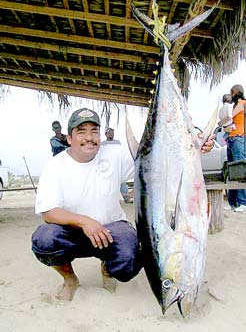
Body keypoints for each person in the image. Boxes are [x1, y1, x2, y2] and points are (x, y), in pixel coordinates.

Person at [31, 107, 215, 302]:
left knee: (132, 255)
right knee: (45, 240)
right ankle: (70, 280)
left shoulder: (114, 154)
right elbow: (49, 212)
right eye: (81, 131)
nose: (89, 137)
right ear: (69, 138)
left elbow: (159, 157)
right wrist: (84, 222)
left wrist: (196, 146)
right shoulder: (55, 165)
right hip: (72, 231)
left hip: (111, 229)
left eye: (94, 131)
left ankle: (108, 269)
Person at [224, 85, 246, 212]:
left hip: (239, 138)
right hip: (232, 139)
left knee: (240, 172)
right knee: (232, 172)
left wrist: (224, 119)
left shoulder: (242, 103)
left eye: (231, 93)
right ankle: (233, 202)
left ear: (236, 93)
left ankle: (243, 202)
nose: (230, 95)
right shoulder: (234, 105)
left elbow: (230, 116)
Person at [101, 127, 133, 203]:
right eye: (109, 132)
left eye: (112, 132)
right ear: (106, 134)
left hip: (117, 165)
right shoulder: (103, 144)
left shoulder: (118, 142)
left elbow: (121, 154)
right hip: (107, 166)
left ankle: (126, 197)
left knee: (122, 181)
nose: (111, 134)